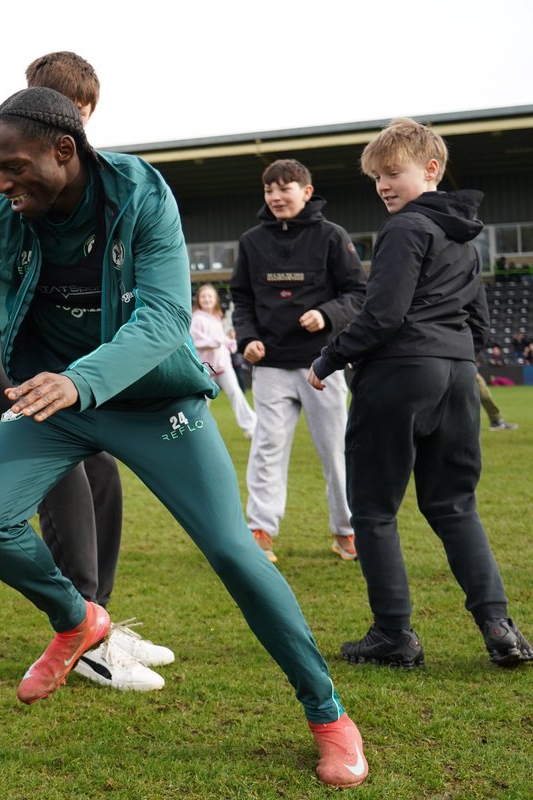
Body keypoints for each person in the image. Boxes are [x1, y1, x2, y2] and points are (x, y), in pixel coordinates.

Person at [0, 89, 367, 788]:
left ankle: (329, 715)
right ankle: (78, 621)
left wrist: (80, 381)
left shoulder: (140, 194)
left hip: (151, 399)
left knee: (234, 552)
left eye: (11, 167)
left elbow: (162, 320)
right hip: (55, 395)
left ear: (63, 150)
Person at [0, 52, 172, 688]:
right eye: (77, 116)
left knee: (101, 464)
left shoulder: (87, 177)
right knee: (59, 471)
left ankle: (95, 618)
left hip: (37, 343)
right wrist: (13, 248)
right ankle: (80, 634)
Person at [309, 117, 533, 670]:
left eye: (392, 173)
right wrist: (453, 357)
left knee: (374, 511)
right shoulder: (464, 233)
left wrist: (330, 358)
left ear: (431, 170)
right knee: (455, 506)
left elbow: (382, 312)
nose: (383, 185)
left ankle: (393, 635)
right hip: (456, 375)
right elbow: (477, 322)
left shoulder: (406, 228)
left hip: (400, 375)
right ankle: (499, 627)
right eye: (376, 178)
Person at [231, 158, 367, 563]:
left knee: (336, 451)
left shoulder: (332, 236)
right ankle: (260, 530)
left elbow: (358, 294)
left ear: (306, 192)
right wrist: (248, 338)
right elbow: (242, 299)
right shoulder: (251, 241)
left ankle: (346, 531)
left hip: (322, 365)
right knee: (267, 448)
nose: (275, 196)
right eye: (269, 190)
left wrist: (327, 315)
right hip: (270, 365)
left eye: (284, 188)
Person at [190, 284, 257, 438]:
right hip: (205, 367)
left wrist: (232, 342)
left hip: (223, 365)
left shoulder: (216, 317)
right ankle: (199, 430)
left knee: (236, 393)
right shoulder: (196, 318)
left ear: (216, 300)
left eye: (210, 296)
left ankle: (251, 426)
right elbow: (198, 341)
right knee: (202, 400)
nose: (207, 299)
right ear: (199, 299)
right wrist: (219, 340)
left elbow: (223, 341)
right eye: (203, 296)